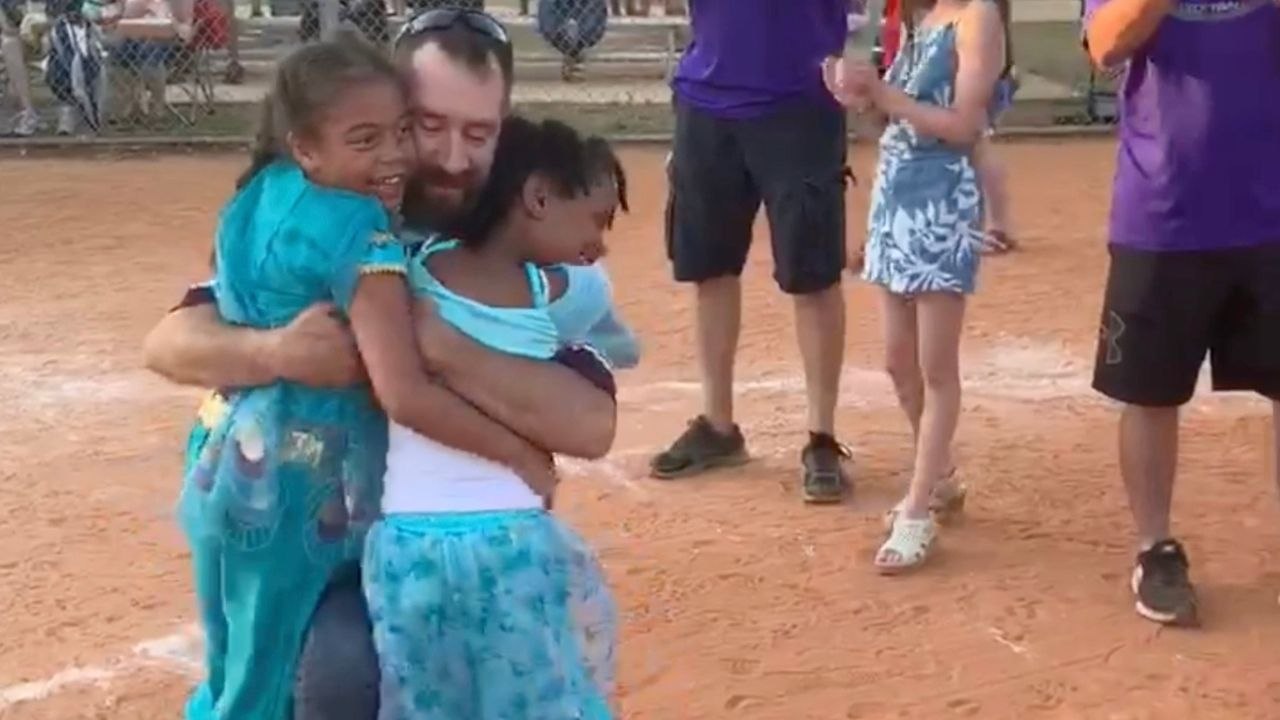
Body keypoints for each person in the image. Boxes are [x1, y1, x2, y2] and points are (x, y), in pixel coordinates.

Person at [142, 9, 621, 719]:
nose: (452, 157)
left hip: (438, 542)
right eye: (428, 124)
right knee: (337, 672)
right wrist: (276, 352)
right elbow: (169, 340)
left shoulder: (521, 239)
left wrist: (443, 344)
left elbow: (589, 425)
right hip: (326, 535)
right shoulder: (341, 210)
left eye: (479, 132)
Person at [366, 115, 624, 719]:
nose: (599, 244)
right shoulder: (554, 292)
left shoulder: (412, 266)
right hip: (512, 540)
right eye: (596, 219)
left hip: (407, 543)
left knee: (429, 704)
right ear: (537, 197)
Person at [1083, 0, 1280, 626]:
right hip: (1163, 209)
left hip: (1272, 210)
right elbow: (1105, 43)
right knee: (1149, 391)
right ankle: (1155, 548)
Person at [824, 0, 1009, 571]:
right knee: (898, 362)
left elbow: (962, 125)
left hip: (940, 205)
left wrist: (882, 94)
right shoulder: (920, 20)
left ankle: (917, 508)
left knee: (935, 367)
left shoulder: (977, 17)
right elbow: (898, 117)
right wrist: (858, 95)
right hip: (897, 200)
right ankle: (942, 477)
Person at [649, 0, 854, 504]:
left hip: (799, 102)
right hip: (708, 98)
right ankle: (719, 424)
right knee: (709, 267)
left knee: (813, 274)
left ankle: (821, 436)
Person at [1, 0, 39, 136]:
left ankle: (28, 113)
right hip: (13, 36)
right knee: (9, 44)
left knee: (9, 44)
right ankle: (23, 113)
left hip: (42, 36)